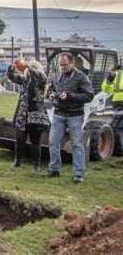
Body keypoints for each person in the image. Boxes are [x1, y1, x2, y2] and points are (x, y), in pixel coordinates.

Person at [47, 52, 94, 183]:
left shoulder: (81, 77)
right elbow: (51, 90)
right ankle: (54, 169)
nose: (62, 67)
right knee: (53, 142)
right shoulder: (57, 75)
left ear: (72, 62)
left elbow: (89, 95)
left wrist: (70, 95)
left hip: (75, 115)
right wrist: (52, 95)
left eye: (65, 65)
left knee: (77, 144)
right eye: (61, 65)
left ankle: (78, 174)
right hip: (58, 114)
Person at [6, 59, 50, 172]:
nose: (25, 72)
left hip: (35, 113)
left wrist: (28, 67)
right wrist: (11, 69)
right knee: (19, 139)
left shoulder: (41, 78)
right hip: (22, 114)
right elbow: (11, 77)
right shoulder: (25, 80)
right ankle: (17, 161)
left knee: (35, 141)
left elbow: (35, 76)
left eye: (27, 70)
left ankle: (36, 165)